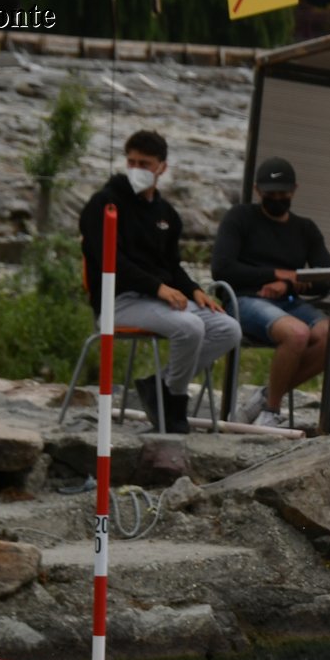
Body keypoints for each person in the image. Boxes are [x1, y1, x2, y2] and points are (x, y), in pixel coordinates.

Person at [79, 130, 240, 435]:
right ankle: (174, 403)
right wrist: (158, 288)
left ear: (162, 168)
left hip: (161, 299)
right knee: (190, 327)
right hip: (121, 300)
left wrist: (194, 290)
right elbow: (110, 261)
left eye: (145, 163)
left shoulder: (166, 214)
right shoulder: (104, 204)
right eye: (131, 161)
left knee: (227, 328)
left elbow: (172, 266)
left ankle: (161, 386)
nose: (136, 169)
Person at [211, 156, 330, 429]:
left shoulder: (305, 228)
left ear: (294, 190)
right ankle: (271, 410)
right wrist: (276, 274)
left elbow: (327, 275)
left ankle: (265, 398)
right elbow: (222, 268)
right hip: (245, 299)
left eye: (282, 193)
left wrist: (287, 284)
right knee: (297, 334)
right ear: (257, 191)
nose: (276, 198)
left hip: (289, 301)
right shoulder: (240, 217)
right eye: (270, 193)